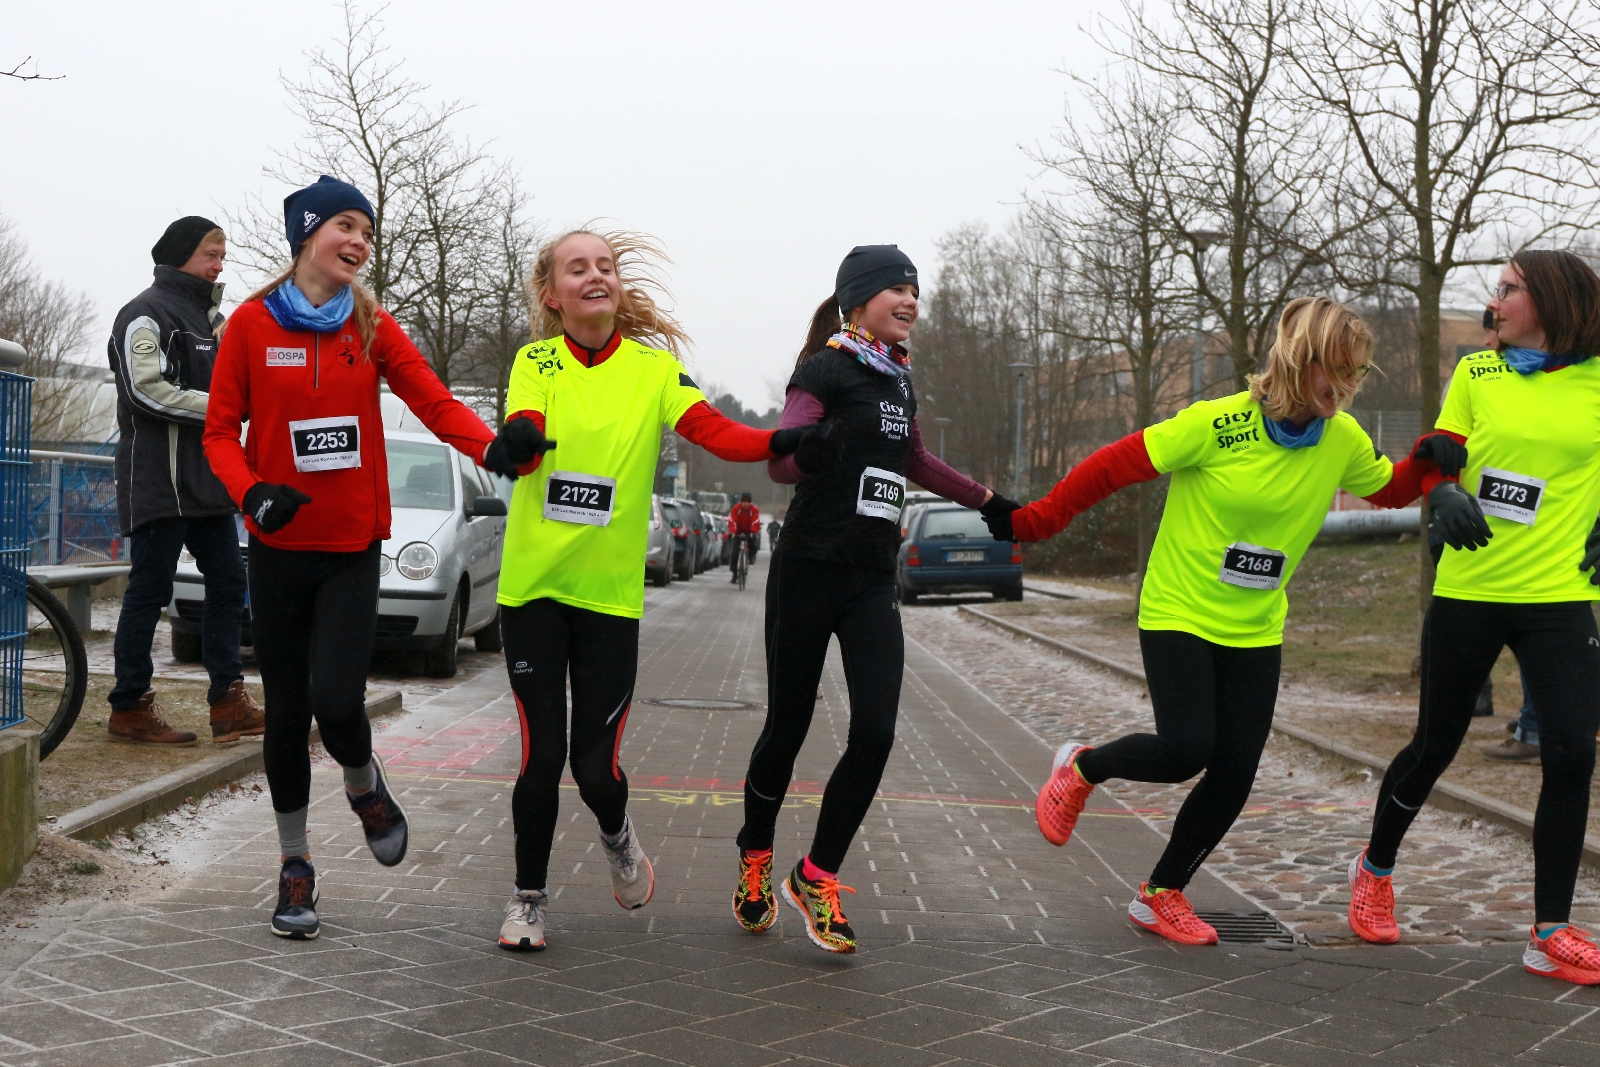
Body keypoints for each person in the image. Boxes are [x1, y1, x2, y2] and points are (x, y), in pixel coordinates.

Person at [1002, 297, 1450, 946]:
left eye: (1357, 372)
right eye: (1337, 370)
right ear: (1299, 359)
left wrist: (1436, 457)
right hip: (1179, 608)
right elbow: (1112, 465)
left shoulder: (1342, 439)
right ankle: (1083, 767)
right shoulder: (1216, 423)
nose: (1348, 386)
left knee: (1236, 769)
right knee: (1186, 750)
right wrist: (1041, 519)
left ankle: (1161, 894)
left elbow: (1391, 488)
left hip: (1256, 624)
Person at [491, 229, 827, 952]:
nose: (595, 276)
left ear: (618, 285)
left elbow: (713, 431)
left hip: (609, 600)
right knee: (540, 758)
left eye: (605, 266)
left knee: (594, 769)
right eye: (577, 268)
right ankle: (527, 899)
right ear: (551, 294)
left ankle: (617, 833)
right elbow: (527, 424)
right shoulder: (535, 361)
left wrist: (781, 442)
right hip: (533, 592)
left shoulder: (653, 370)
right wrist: (518, 443)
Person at [204, 176, 501, 940]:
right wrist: (252, 493)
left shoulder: (371, 325)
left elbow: (435, 402)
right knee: (285, 716)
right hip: (278, 548)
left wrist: (497, 448)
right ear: (308, 232)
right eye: (347, 226)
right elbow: (219, 433)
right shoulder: (249, 325)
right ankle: (294, 863)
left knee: (338, 704)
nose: (361, 242)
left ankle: (365, 784)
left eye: (367, 231)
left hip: (349, 550)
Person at [733, 245, 1013, 954]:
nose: (912, 299)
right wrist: (809, 452)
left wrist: (987, 500)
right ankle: (756, 857)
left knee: (877, 732)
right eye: (897, 288)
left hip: (870, 579)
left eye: (916, 289)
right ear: (858, 300)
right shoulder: (824, 369)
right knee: (788, 728)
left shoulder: (898, 379)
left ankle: (816, 875)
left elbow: (913, 459)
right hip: (807, 570)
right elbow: (780, 459)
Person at [1347, 250, 1600, 985]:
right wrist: (1445, 490)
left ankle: (1550, 930)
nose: (1496, 301)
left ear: (1548, 299)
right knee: (1436, 745)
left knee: (1572, 753)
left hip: (1559, 594)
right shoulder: (1477, 371)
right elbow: (1442, 449)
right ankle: (1374, 868)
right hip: (1471, 587)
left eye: (1509, 289)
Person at [105, 217, 262, 747]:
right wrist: (226, 409)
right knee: (150, 592)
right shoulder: (144, 313)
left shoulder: (213, 320)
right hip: (158, 481)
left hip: (209, 480)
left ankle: (228, 701)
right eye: (210, 255)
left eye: (222, 256)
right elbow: (145, 390)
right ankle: (129, 706)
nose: (220, 265)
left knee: (229, 584)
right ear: (180, 255)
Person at [729, 492, 761, 581]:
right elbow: (733, 520)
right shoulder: (736, 508)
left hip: (749, 532)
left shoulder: (754, 510)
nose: (745, 504)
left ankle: (751, 557)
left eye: (747, 502)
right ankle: (734, 573)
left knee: (753, 544)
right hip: (737, 532)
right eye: (744, 502)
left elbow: (755, 521)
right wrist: (733, 532)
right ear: (741, 502)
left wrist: (753, 531)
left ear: (750, 502)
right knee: (734, 553)